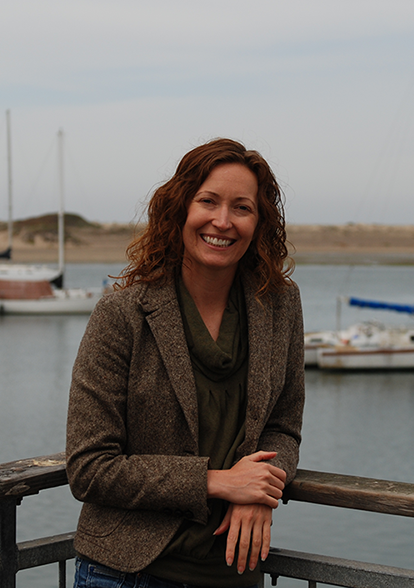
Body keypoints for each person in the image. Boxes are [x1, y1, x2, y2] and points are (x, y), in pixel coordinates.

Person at [66, 138, 305, 588]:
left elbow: (283, 426)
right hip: (125, 574)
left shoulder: (279, 304)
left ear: (259, 222)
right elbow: (89, 467)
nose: (223, 221)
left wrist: (261, 488)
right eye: (208, 201)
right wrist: (217, 482)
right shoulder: (122, 314)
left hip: (234, 575)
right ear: (179, 209)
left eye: (242, 207)